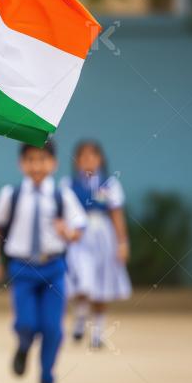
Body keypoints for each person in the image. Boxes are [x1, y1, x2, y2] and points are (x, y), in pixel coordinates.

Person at [0, 141, 87, 383]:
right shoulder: (12, 194)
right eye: (30, 160)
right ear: (21, 164)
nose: (37, 166)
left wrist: (68, 232)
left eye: (42, 160)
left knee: (52, 328)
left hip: (54, 268)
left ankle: (47, 378)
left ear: (54, 163)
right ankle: (23, 345)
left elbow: (79, 228)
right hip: (23, 269)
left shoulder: (62, 196)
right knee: (26, 322)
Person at [64, 140, 131, 349]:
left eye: (92, 156)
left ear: (100, 159)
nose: (88, 161)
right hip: (78, 236)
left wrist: (122, 243)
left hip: (103, 236)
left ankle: (97, 333)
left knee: (102, 284)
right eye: (83, 156)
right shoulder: (68, 184)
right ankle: (80, 317)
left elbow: (117, 214)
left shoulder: (109, 185)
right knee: (81, 281)